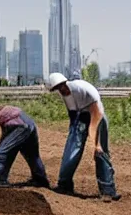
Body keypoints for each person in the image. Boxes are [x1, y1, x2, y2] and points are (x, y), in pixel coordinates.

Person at [48, 72, 121, 202]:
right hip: (81, 116)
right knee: (72, 148)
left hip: (97, 114)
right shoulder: (65, 93)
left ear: (66, 82)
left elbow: (96, 119)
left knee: (100, 150)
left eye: (62, 86)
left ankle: (108, 190)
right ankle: (64, 184)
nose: (61, 90)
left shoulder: (82, 89)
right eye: (58, 88)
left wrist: (95, 144)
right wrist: (73, 132)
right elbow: (72, 113)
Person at [0, 105, 49, 188]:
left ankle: (0, 181)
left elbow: (5, 134)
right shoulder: (11, 109)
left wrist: (0, 147)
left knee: (1, 154)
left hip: (20, 127)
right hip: (31, 125)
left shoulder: (1, 115)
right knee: (32, 155)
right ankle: (40, 180)